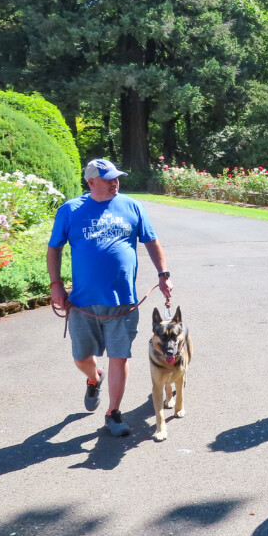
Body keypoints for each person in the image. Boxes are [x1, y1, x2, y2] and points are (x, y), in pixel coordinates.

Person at [47, 158, 173, 437]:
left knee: (120, 355)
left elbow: (151, 241)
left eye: (117, 177)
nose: (115, 182)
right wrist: (56, 285)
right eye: (108, 179)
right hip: (82, 302)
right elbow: (54, 248)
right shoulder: (70, 210)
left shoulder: (131, 206)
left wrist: (164, 274)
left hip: (123, 301)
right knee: (82, 356)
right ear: (91, 182)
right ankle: (94, 378)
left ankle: (113, 412)